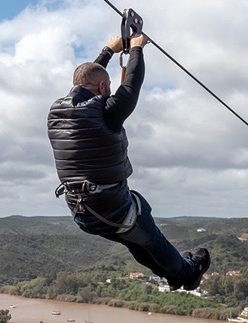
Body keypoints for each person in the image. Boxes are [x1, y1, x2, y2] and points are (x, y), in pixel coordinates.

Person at [47, 33, 209, 291]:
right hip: (112, 210)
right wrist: (137, 49)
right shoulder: (107, 113)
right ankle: (188, 273)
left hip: (82, 214)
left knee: (134, 239)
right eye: (108, 86)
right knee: (146, 228)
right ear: (102, 88)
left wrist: (109, 51)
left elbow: (85, 78)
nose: (111, 90)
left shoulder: (57, 112)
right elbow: (131, 85)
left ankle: (173, 274)